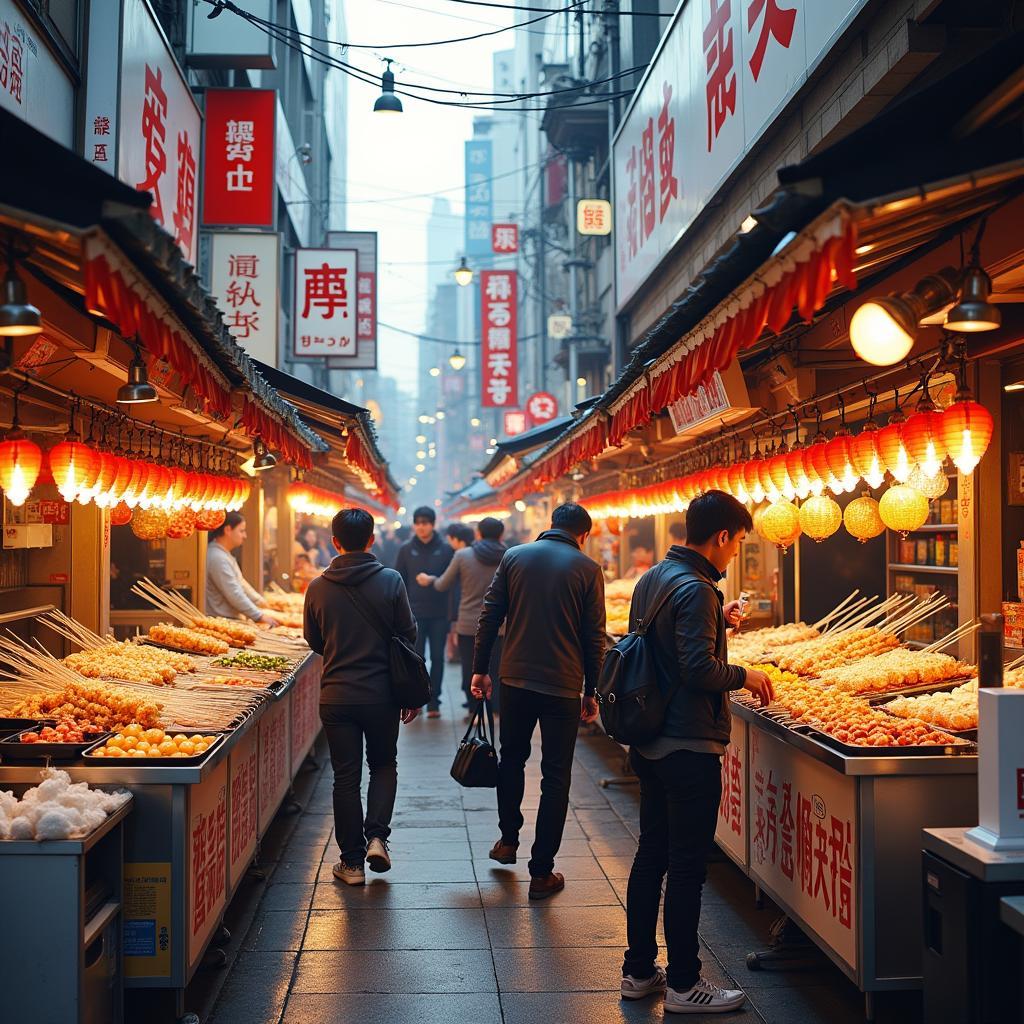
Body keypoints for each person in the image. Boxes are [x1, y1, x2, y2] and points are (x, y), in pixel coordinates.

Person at [619, 490, 774, 1013]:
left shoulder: (655, 577)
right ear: (723, 536)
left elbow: (664, 646)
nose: (734, 554)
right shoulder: (698, 589)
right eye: (736, 543)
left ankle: (639, 971)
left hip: (651, 741)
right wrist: (746, 674)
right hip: (687, 744)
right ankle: (685, 983)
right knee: (686, 867)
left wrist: (718, 623)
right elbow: (696, 670)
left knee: (650, 857)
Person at [472, 502, 605, 901]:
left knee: (511, 758)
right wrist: (591, 690)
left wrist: (481, 668)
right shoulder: (587, 569)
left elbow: (489, 615)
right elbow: (593, 636)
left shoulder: (515, 556)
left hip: (514, 677)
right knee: (556, 775)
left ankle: (508, 839)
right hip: (563, 685)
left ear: (551, 526)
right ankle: (542, 871)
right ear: (584, 534)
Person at [303, 508, 421, 886]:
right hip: (382, 694)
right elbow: (408, 633)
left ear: (334, 541)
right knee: (383, 765)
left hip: (337, 695)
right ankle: (377, 838)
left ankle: (351, 864)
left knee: (345, 777)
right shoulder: (391, 581)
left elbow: (314, 640)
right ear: (371, 540)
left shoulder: (318, 586)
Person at [418, 516, 506, 715]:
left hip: (468, 623)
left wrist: (431, 580)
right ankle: (495, 708)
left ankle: (475, 710)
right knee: (496, 667)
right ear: (501, 535)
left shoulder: (463, 555)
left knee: (471, 667)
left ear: (478, 534)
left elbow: (442, 584)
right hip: (501, 623)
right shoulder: (509, 556)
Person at [395, 507, 454, 718]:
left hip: (439, 614)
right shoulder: (405, 549)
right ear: (413, 525)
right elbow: (398, 582)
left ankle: (434, 702)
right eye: (418, 522)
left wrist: (452, 616)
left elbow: (453, 583)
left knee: (438, 658)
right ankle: (417, 701)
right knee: (416, 659)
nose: (421, 527)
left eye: (425, 522)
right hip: (414, 614)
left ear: (433, 524)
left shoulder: (446, 549)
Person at [206, 512, 279, 626]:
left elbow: (241, 584)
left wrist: (260, 602)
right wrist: (258, 615)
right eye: (241, 531)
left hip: (230, 620)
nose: (245, 536)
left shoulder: (224, 555)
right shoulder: (217, 557)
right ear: (228, 530)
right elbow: (234, 593)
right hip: (222, 621)